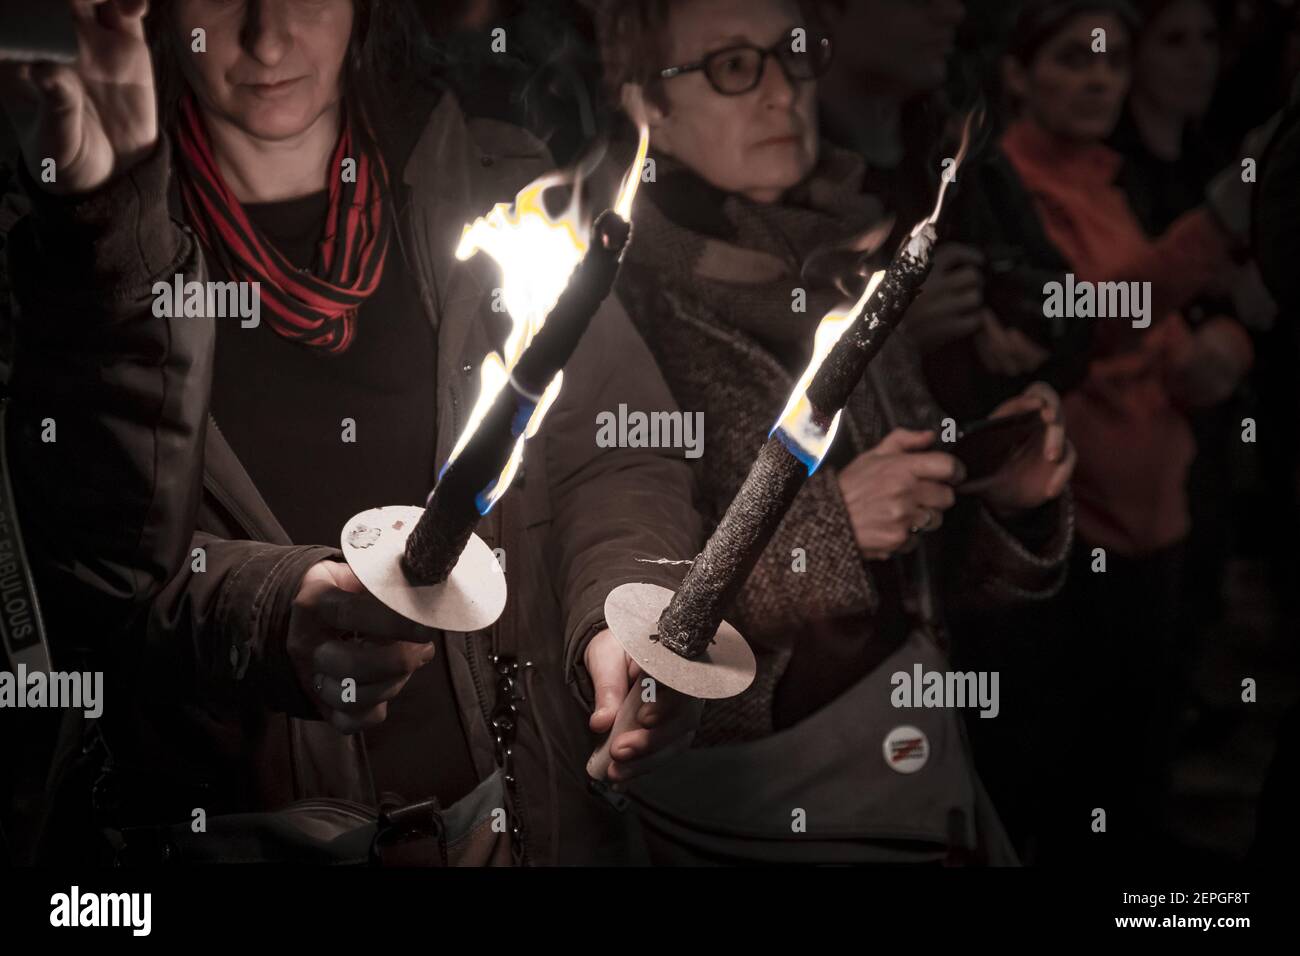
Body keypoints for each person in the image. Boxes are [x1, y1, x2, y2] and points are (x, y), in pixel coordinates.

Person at [0, 0, 703, 866]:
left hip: (515, 825)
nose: (267, 35)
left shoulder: (497, 183)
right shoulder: (75, 255)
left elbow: (614, 452)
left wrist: (619, 612)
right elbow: (78, 564)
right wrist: (266, 619)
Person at [594, 0, 1076, 865]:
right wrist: (828, 528)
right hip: (753, 810)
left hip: (907, 767)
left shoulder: (841, 265)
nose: (782, 92)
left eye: (793, 53)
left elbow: (921, 579)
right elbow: (619, 622)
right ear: (646, 105)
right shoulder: (619, 312)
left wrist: (1001, 498)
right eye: (734, 66)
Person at [994, 0, 1259, 862]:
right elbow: (1100, 316)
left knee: (1133, 772)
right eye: (1073, 59)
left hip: (1156, 514)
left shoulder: (1106, 178)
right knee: (1070, 788)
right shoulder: (1010, 189)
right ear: (1016, 75)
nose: (1099, 78)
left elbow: (1164, 329)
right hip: (1083, 531)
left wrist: (1222, 337)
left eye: (1109, 61)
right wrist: (1220, 221)